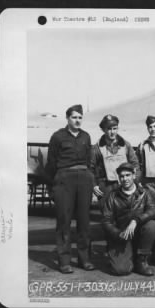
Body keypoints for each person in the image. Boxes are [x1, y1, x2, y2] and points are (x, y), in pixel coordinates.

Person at [45, 104, 95, 274]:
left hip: (84, 179)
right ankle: (64, 261)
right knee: (64, 221)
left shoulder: (86, 137)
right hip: (64, 179)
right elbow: (51, 164)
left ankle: (85, 259)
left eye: (80, 117)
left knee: (84, 221)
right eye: (74, 117)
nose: (77, 120)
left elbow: (89, 162)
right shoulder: (57, 137)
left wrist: (90, 180)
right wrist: (52, 187)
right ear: (67, 118)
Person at [101, 162, 155, 276]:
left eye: (128, 175)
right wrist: (118, 234)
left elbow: (153, 211)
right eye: (122, 176)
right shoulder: (112, 196)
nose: (125, 179)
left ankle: (141, 261)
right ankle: (128, 256)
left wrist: (136, 220)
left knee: (152, 225)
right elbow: (106, 220)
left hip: (139, 233)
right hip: (122, 235)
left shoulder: (145, 192)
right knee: (121, 270)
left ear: (134, 175)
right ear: (119, 178)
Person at [90, 114, 139, 211]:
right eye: (109, 129)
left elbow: (135, 165)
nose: (112, 132)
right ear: (103, 130)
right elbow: (90, 169)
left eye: (114, 128)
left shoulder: (126, 145)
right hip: (105, 185)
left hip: (124, 184)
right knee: (107, 215)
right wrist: (94, 185)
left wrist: (136, 182)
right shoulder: (96, 148)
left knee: (127, 213)